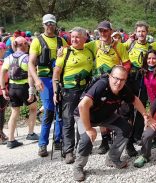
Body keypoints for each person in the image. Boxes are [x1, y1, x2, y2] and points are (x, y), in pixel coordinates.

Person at [73, 65, 156, 181]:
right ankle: (78, 167)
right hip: (84, 116)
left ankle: (113, 158)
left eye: (122, 80)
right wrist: (88, 129)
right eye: (116, 78)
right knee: (87, 139)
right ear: (110, 77)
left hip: (105, 116)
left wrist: (144, 115)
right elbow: (82, 106)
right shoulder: (101, 85)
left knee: (125, 128)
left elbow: (135, 100)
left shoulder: (124, 89)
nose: (118, 82)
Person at [84, 20, 131, 155]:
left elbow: (127, 64)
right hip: (100, 83)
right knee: (101, 110)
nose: (103, 33)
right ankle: (105, 140)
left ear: (111, 31)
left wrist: (120, 74)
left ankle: (123, 138)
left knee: (119, 110)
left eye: (105, 30)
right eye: (101, 31)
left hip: (115, 83)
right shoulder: (95, 44)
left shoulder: (119, 46)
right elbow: (78, 46)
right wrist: (64, 48)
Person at [52, 27, 94, 164]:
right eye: (73, 37)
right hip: (68, 91)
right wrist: (55, 91)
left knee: (83, 119)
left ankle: (81, 147)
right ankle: (68, 151)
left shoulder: (89, 50)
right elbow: (56, 73)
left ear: (84, 38)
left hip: (85, 90)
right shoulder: (65, 52)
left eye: (77, 37)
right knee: (68, 121)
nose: (74, 39)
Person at [28, 14, 67, 157]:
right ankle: (42, 144)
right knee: (49, 111)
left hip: (58, 79)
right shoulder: (37, 41)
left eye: (52, 23)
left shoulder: (61, 40)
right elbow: (31, 64)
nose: (49, 25)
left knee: (60, 112)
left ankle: (58, 140)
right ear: (43, 24)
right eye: (47, 23)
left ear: (55, 24)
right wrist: (36, 80)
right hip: (44, 80)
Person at [0, 37, 39, 149]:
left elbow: (2, 73)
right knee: (33, 108)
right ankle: (30, 133)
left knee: (14, 112)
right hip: (24, 87)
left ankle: (11, 140)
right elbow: (30, 75)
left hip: (12, 88)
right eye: (27, 44)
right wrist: (31, 91)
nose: (28, 46)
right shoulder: (27, 58)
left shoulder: (8, 58)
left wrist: (3, 89)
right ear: (22, 45)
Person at [121, 21, 151, 156]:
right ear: (135, 32)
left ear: (147, 32)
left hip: (142, 78)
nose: (141, 34)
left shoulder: (150, 46)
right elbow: (118, 49)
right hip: (129, 78)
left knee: (141, 107)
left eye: (143, 31)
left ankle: (137, 135)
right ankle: (127, 138)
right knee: (127, 108)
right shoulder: (130, 43)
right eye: (139, 31)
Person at [0, 42, 8, 144]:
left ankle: (1, 133)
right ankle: (0, 135)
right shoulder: (2, 64)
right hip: (1, 91)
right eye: (4, 49)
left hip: (3, 90)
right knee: (1, 113)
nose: (5, 51)